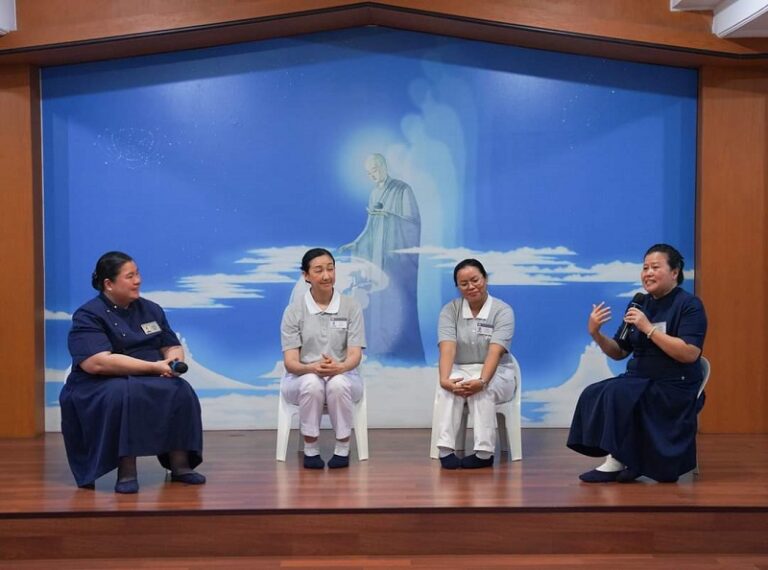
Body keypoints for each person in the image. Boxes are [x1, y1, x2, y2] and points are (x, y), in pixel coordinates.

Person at [59, 251, 205, 493]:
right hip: (99, 382)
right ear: (109, 284)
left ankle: (180, 465)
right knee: (124, 393)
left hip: (149, 374)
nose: (138, 280)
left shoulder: (151, 309)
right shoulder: (89, 315)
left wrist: (173, 361)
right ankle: (126, 471)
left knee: (180, 390)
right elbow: (97, 363)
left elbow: (170, 344)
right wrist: (154, 367)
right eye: (130, 276)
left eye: (137, 274)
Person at [567, 244, 708, 483]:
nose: (648, 273)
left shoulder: (689, 305)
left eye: (655, 267)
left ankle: (616, 461)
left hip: (675, 384)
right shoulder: (639, 303)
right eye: (645, 268)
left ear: (675, 272)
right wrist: (596, 334)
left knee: (617, 392)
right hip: (640, 379)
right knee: (594, 392)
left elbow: (689, 354)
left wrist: (649, 328)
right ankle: (628, 458)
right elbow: (620, 351)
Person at [280, 248, 366, 469]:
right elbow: (291, 362)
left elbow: (355, 355)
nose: (326, 275)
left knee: (337, 384)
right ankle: (311, 449)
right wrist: (312, 368)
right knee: (312, 383)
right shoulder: (293, 311)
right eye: (319, 270)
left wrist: (340, 367)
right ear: (306, 276)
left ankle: (342, 448)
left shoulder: (351, 307)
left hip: (345, 375)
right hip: (300, 378)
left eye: (330, 269)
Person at [339, 153, 424, 364]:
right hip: (377, 258)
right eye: (369, 173)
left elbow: (413, 223)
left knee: (398, 301)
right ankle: (380, 348)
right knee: (378, 300)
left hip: (396, 263)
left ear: (384, 166)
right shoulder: (374, 194)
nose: (373, 176)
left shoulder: (402, 189)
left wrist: (389, 217)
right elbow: (370, 228)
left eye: (375, 170)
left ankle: (403, 351)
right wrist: (356, 244)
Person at [434, 259, 518, 469]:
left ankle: (484, 453)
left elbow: (495, 352)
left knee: (481, 389)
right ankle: (445, 450)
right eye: (464, 284)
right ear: (457, 287)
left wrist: (482, 381)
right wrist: (444, 380)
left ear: (485, 279)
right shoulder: (450, 311)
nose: (471, 287)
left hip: (499, 372)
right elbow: (447, 348)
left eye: (475, 280)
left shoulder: (503, 311)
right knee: (450, 386)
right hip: (462, 368)